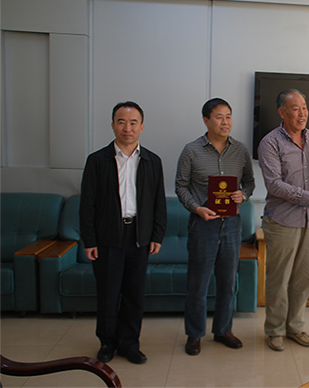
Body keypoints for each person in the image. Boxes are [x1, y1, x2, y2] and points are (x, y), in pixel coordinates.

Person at [80, 101, 167, 365]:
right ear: (113, 125)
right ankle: (107, 342)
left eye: (133, 122)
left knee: (134, 294)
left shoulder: (152, 161)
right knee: (108, 294)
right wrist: (89, 240)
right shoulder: (97, 160)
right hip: (108, 236)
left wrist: (157, 235)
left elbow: (158, 203)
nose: (127, 128)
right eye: (121, 122)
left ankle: (130, 343)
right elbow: (87, 204)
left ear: (141, 127)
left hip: (139, 236)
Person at [258, 89, 309, 352]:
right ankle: (275, 330)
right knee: (279, 280)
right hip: (283, 221)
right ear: (282, 112)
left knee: (304, 279)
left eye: (304, 107)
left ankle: (295, 327)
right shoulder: (270, 143)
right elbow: (274, 185)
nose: (302, 113)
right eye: (295, 108)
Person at [175, 98, 255, 355]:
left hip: (231, 225)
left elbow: (249, 183)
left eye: (228, 116)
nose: (225, 122)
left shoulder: (240, 150)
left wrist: (243, 194)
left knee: (227, 283)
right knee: (197, 284)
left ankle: (223, 330)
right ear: (206, 120)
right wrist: (196, 208)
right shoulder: (191, 151)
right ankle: (194, 334)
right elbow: (181, 186)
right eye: (219, 117)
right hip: (203, 225)